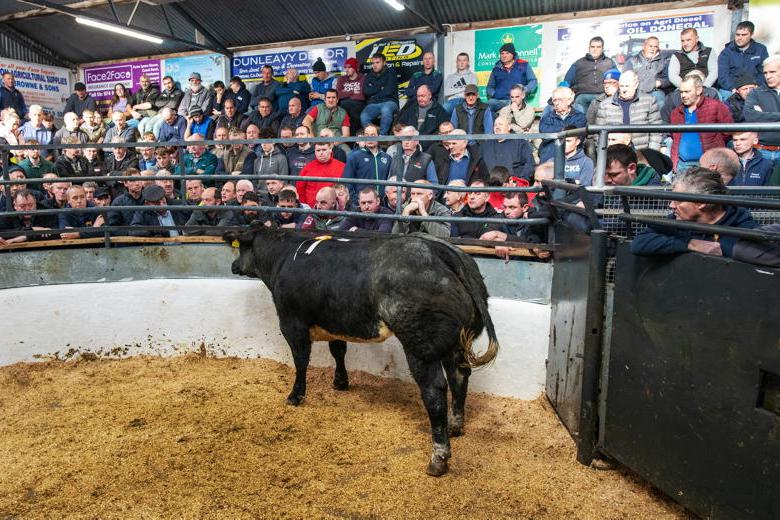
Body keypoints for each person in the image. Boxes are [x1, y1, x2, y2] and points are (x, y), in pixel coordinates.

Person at [631, 168, 757, 258]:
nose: (671, 205)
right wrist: (690, 244)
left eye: (678, 200)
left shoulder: (741, 225)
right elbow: (639, 243)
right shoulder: (677, 220)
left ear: (701, 203)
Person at [670, 75, 733, 171]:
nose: (683, 95)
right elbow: (675, 138)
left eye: (687, 91)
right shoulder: (676, 113)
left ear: (699, 90)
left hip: (708, 165)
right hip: (682, 165)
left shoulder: (716, 106)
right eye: (681, 92)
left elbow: (728, 131)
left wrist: (714, 143)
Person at [595, 70, 662, 151]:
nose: (624, 90)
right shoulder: (605, 105)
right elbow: (598, 134)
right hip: (614, 153)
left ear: (636, 85)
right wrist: (604, 154)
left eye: (627, 86)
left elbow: (656, 131)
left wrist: (652, 154)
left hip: (642, 152)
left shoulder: (649, 101)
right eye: (621, 86)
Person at [562, 37, 618, 114]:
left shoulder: (609, 62)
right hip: (583, 95)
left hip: (604, 95)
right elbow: (566, 82)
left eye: (598, 47)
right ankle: (581, 124)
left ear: (602, 49)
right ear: (589, 48)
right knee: (580, 101)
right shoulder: (578, 63)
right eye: (593, 47)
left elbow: (619, 80)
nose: (595, 49)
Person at [717, 21, 769, 100]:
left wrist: (755, 86)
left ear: (751, 34)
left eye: (744, 35)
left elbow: (764, 72)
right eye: (737, 34)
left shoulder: (761, 49)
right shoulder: (726, 52)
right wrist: (734, 88)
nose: (739, 38)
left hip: (754, 87)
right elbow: (723, 76)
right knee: (726, 96)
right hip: (732, 89)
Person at [744, 55, 780, 162]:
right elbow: (750, 116)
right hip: (762, 151)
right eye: (765, 73)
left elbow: (757, 116)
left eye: (773, 72)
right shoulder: (756, 93)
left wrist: (764, 114)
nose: (768, 76)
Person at [538, 86, 587, 163]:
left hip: (573, 157)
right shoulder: (547, 117)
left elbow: (579, 136)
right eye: (554, 100)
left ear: (569, 101)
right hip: (550, 155)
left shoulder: (579, 116)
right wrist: (567, 130)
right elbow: (545, 136)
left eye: (560, 100)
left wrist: (556, 132)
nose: (556, 103)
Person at [342, 124, 391, 200]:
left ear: (379, 136)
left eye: (373, 135)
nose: (369, 138)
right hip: (362, 203)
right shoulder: (354, 157)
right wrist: (355, 200)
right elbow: (347, 182)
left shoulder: (387, 158)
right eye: (366, 135)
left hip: (382, 203)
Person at [486, 42, 537, 112]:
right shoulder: (496, 69)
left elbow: (533, 81)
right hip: (500, 101)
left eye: (507, 53)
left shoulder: (523, 64)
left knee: (517, 108)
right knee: (488, 105)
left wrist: (524, 90)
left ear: (512, 54)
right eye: (502, 53)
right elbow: (489, 87)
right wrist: (495, 93)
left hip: (517, 100)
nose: (504, 55)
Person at [480, 117, 535, 182]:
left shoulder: (520, 143)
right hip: (491, 186)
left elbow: (530, 163)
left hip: (514, 186)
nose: (497, 127)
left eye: (500, 124)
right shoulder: (486, 145)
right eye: (495, 125)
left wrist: (521, 181)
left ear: (509, 127)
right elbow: (481, 167)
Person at [623, 36, 671, 107]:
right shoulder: (632, 61)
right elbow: (625, 78)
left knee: (660, 97)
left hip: (655, 92)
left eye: (655, 47)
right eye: (650, 46)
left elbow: (668, 79)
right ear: (644, 46)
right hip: (636, 92)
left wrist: (660, 82)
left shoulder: (663, 62)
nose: (652, 49)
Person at [360, 53, 399, 135]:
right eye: (373, 63)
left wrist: (374, 93)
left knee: (386, 110)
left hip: (390, 102)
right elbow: (366, 91)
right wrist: (380, 88)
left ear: (384, 63)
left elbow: (389, 91)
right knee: (364, 116)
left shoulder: (391, 73)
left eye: (377, 62)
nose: (375, 65)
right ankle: (375, 133)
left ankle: (382, 136)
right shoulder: (369, 75)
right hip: (374, 103)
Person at [296, 142, 345, 207]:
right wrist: (305, 207)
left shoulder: (342, 167)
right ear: (315, 152)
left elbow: (346, 189)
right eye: (318, 150)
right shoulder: (307, 168)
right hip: (312, 210)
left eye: (324, 150)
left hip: (335, 210)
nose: (321, 153)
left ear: (330, 149)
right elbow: (300, 190)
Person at [335, 57, 366, 136]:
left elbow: (362, 95)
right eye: (345, 67)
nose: (347, 69)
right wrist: (352, 92)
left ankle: (353, 138)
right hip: (344, 105)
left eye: (349, 67)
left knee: (354, 113)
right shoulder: (342, 79)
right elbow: (338, 94)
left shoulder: (363, 78)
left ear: (355, 68)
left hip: (358, 104)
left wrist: (345, 93)